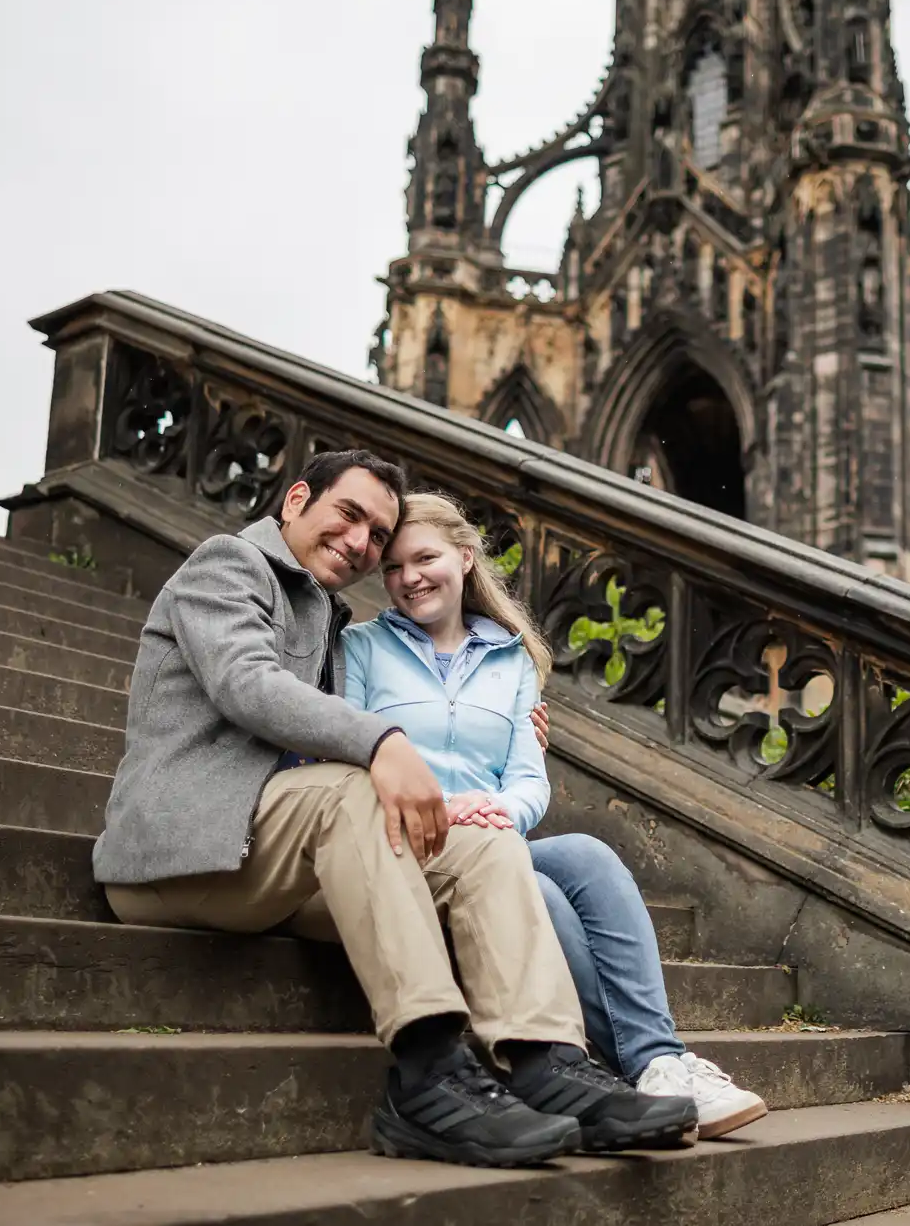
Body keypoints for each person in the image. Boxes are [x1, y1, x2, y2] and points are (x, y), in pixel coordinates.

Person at [92, 450, 696, 1167]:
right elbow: (246, 684)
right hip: (182, 854)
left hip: (274, 866)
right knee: (355, 790)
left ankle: (549, 1065)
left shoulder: (329, 615)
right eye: (349, 515)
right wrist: (383, 742)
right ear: (294, 501)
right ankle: (431, 1077)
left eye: (377, 534)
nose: (361, 542)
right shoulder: (229, 564)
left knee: (485, 841)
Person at [341, 492, 769, 1140]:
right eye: (393, 568)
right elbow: (347, 748)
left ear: (464, 556)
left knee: (588, 856)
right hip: (410, 841)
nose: (408, 578)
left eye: (424, 558)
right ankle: (625, 1067)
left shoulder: (511, 659)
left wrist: (499, 809)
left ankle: (658, 1061)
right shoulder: (363, 647)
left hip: (492, 841)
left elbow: (525, 780)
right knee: (541, 890)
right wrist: (444, 805)